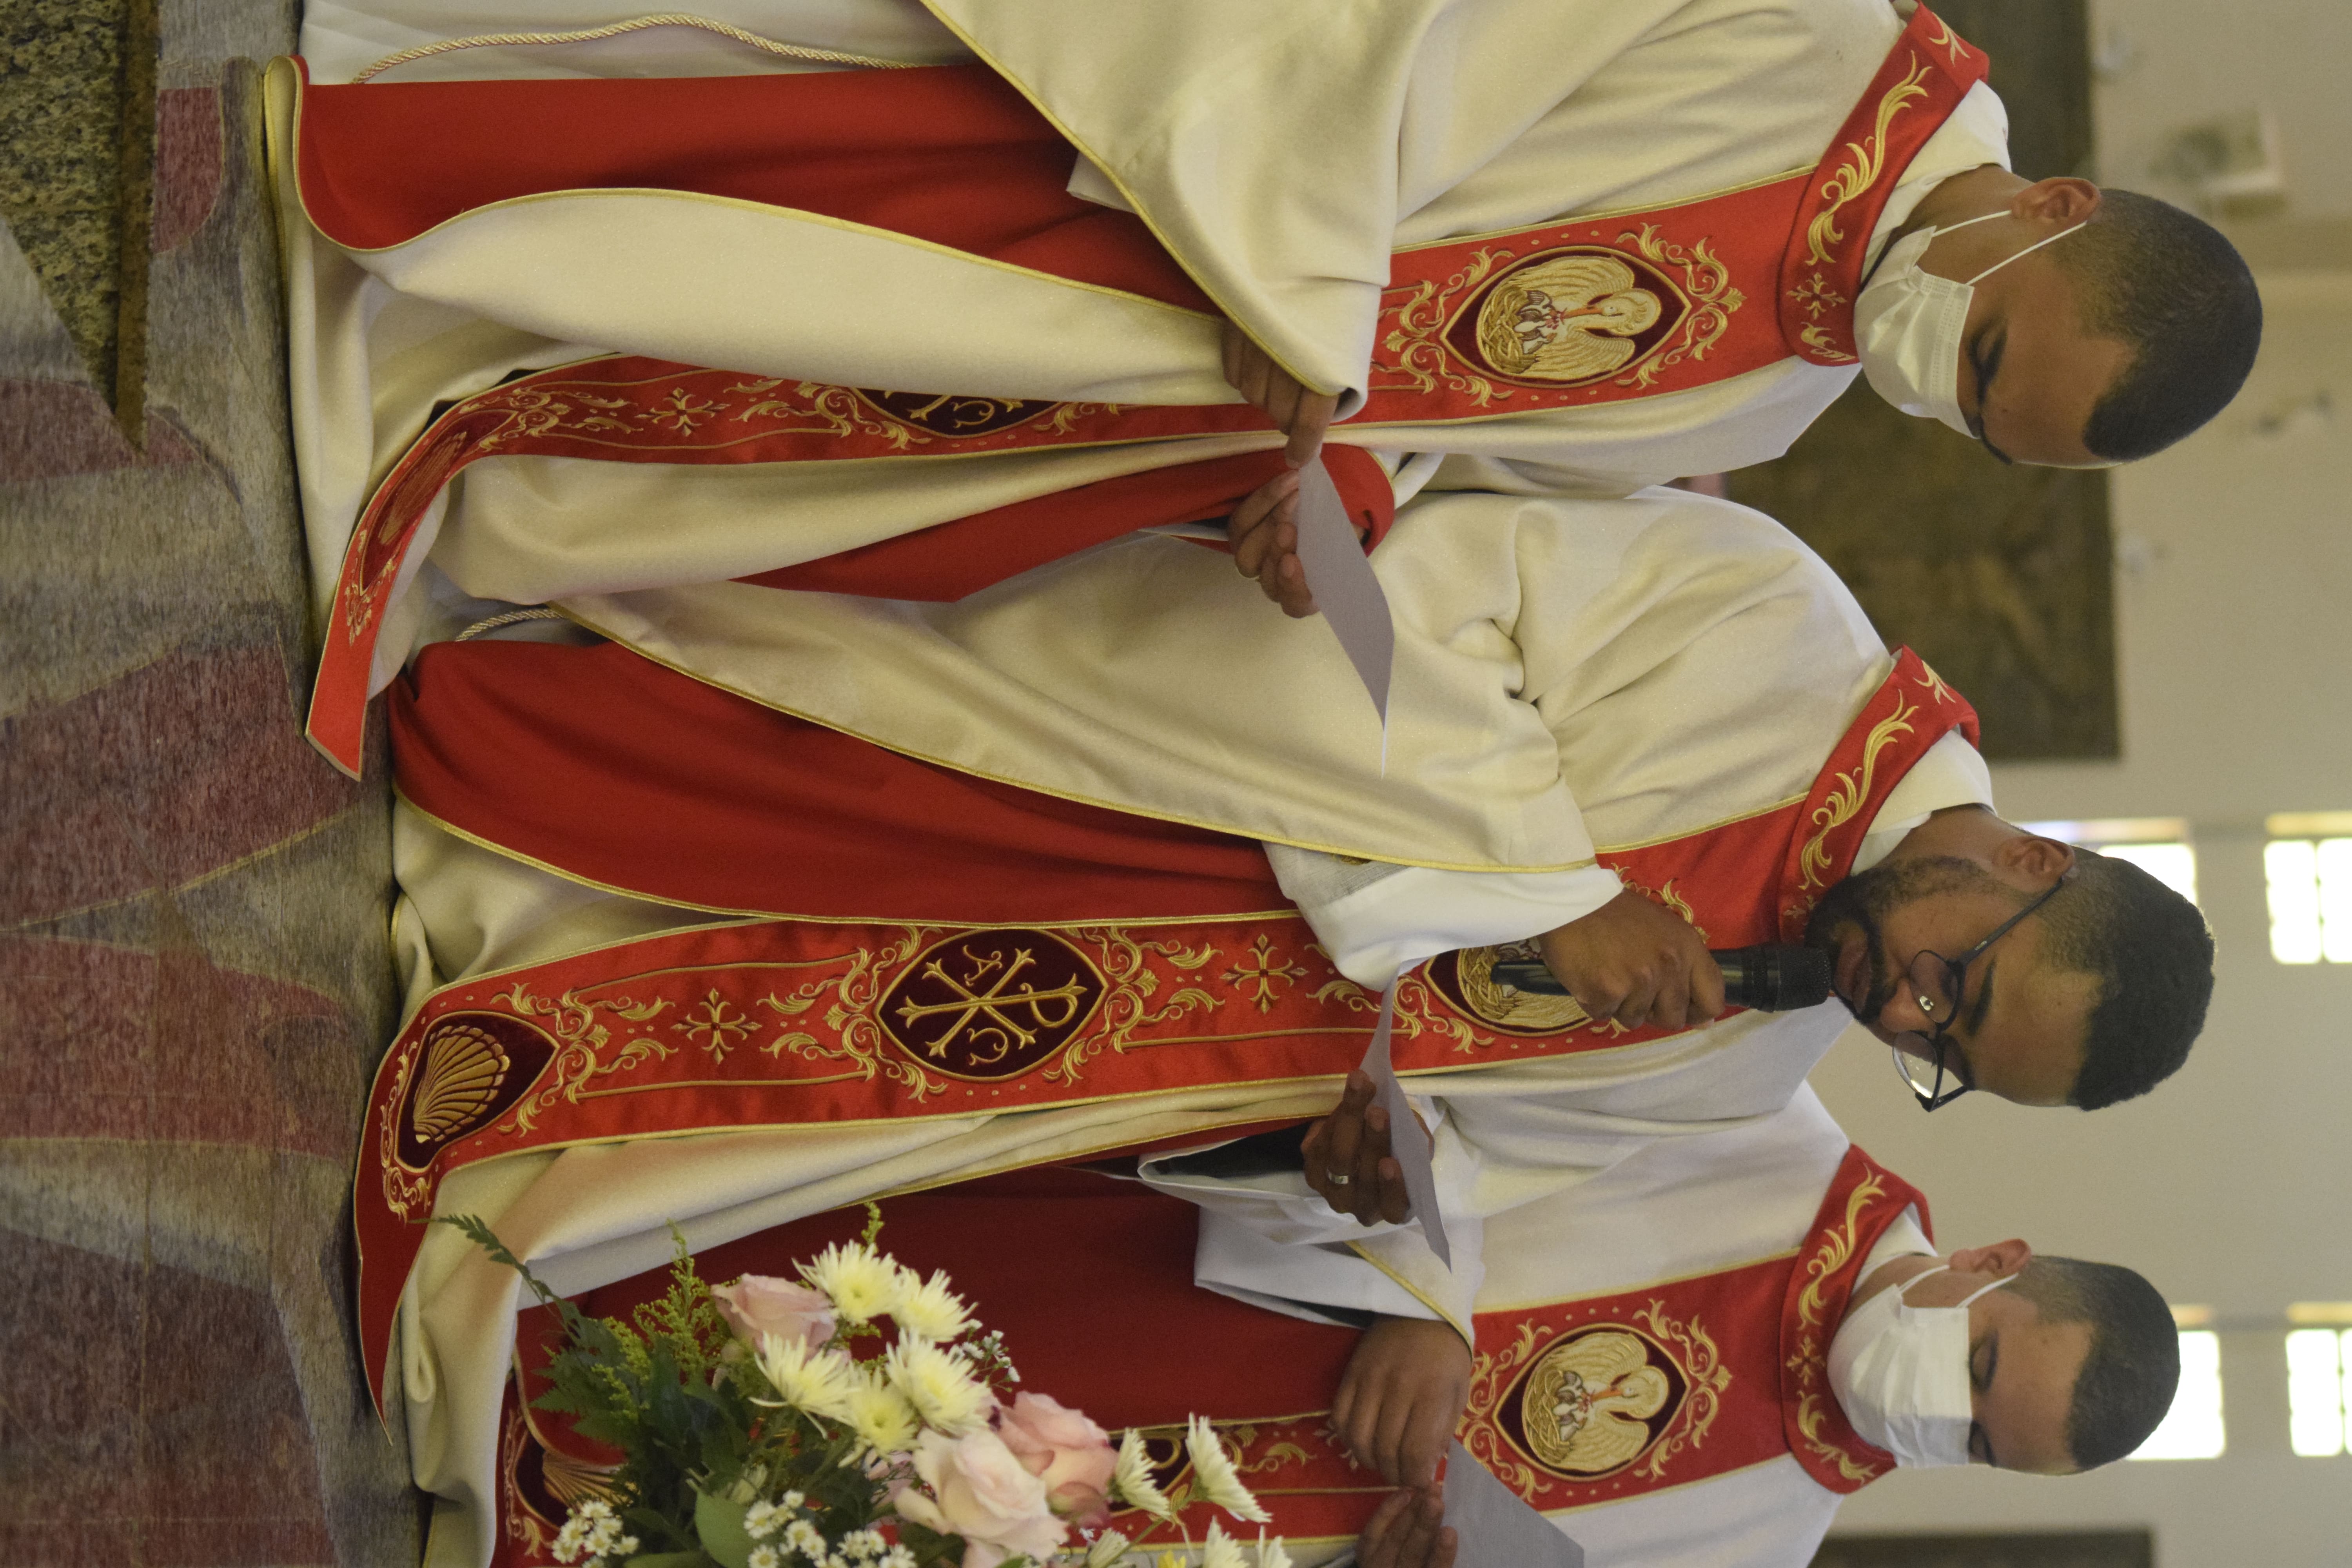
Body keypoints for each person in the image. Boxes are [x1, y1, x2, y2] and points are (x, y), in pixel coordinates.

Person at [271, 0, 2262, 769]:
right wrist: (1305, 264)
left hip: (1149, 405)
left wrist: (1357, 508)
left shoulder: (1777, 410)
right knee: (772, 176)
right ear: (2054, 207)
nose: (1923, 375)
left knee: (779, 413)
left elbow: (1472, 457)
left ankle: (469, 440)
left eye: (1968, 419)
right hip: (1146, 200)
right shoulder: (1807, 34)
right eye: (1983, 349)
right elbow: (1424, 38)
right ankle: (416, 155)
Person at [454, 1087, 2181, 1568]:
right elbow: (1465, 1058)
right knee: (830, 1299)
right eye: (1976, 1366)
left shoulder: (1765, 1535)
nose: (1932, 1409)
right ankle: (503, 1309)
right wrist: (1425, 1292)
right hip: (1190, 1291)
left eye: (1974, 1440)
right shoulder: (1755, 1127)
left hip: (1192, 1529)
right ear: (1992, 1262)